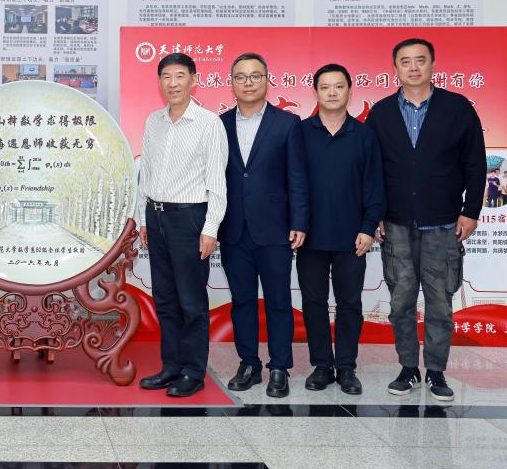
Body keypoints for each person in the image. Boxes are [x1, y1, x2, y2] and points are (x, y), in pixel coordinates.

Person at [366, 38, 485, 401]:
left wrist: (471, 211)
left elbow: (475, 163)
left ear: (433, 65)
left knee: (439, 302)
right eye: (405, 61)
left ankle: (436, 371)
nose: (413, 67)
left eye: (420, 60)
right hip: (396, 223)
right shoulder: (382, 113)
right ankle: (408, 368)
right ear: (395, 69)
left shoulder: (457, 108)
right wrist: (374, 214)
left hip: (443, 223)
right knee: (400, 301)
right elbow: (371, 170)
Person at [135, 53, 228, 398]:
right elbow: (146, 174)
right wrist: (142, 217)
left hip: (190, 218)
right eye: (166, 77)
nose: (172, 83)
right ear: (159, 82)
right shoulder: (153, 122)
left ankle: (193, 371)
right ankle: (171, 366)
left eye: (179, 76)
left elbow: (217, 183)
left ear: (193, 80)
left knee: (191, 301)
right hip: (155, 216)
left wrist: (210, 228)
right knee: (165, 298)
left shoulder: (208, 123)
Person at [219, 52, 309, 398]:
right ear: (232, 83)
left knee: (278, 301)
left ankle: (279, 367)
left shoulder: (287, 123)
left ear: (267, 80)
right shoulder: (219, 124)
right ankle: (249, 364)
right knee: (242, 300)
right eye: (240, 77)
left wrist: (299, 220)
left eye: (255, 76)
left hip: (275, 229)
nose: (248, 83)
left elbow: (297, 177)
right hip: (233, 228)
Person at [297, 64, 384, 396]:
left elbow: (374, 187)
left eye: (338, 86)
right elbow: (292, 184)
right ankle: (322, 365)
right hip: (310, 236)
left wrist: (368, 227)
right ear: (315, 92)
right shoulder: (301, 133)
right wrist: (296, 225)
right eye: (325, 87)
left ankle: (346, 366)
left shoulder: (364, 135)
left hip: (353, 237)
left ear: (349, 90)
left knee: (349, 302)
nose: (332, 92)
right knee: (314, 301)